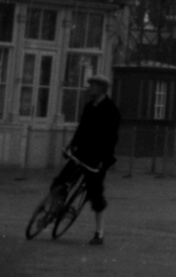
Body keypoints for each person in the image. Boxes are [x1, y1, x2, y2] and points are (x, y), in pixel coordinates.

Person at [49, 74, 122, 246]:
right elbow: (81, 130)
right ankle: (55, 211)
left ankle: (99, 232)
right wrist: (71, 146)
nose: (89, 88)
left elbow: (111, 139)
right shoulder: (89, 106)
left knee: (95, 195)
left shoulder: (112, 110)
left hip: (97, 159)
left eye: (93, 85)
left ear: (102, 89)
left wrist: (104, 161)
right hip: (81, 153)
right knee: (58, 183)